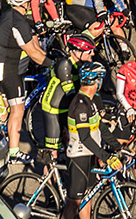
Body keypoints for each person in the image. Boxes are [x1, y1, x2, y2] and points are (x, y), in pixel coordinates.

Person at [61, 62, 121, 219]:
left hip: (89, 155)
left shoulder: (91, 101)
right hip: (79, 156)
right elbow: (85, 137)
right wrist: (106, 157)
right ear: (97, 81)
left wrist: (116, 145)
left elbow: (100, 127)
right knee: (73, 201)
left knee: (88, 195)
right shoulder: (80, 105)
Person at [0, 0, 47, 154]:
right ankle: (14, 152)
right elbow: (33, 53)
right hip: (11, 71)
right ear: (24, 2)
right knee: (18, 110)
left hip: (3, 68)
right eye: (29, 1)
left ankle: (2, 140)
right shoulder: (18, 22)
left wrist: (46, 57)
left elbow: (34, 47)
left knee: (8, 111)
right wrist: (54, 65)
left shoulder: (10, 16)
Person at [39, 34, 96, 168]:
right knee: (53, 152)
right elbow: (71, 95)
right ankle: (48, 180)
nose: (92, 54)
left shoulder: (83, 63)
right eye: (89, 51)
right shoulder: (64, 65)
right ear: (77, 52)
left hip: (67, 107)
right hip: (53, 109)